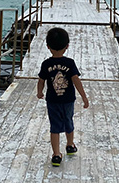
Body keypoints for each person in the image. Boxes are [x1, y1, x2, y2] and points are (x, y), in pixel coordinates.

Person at [36, 27, 89, 166]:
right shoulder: (69, 63)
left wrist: (39, 92)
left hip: (53, 101)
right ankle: (70, 145)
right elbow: (76, 80)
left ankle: (56, 154)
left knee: (54, 127)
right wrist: (84, 96)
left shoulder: (46, 64)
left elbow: (41, 80)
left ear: (48, 46)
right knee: (68, 121)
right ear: (67, 46)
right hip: (68, 100)